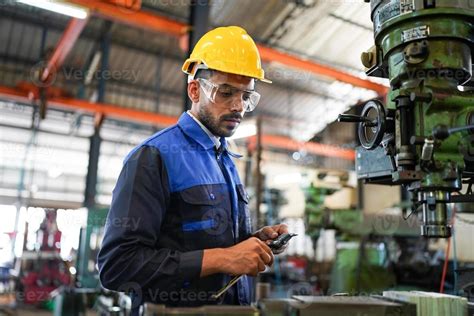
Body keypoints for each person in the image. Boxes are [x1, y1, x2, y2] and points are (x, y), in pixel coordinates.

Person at [97, 26, 289, 310]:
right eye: (226, 93)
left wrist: (253, 241)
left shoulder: (223, 157)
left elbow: (212, 243)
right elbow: (117, 266)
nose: (238, 106)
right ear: (195, 90)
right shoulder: (154, 157)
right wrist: (223, 259)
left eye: (246, 96)